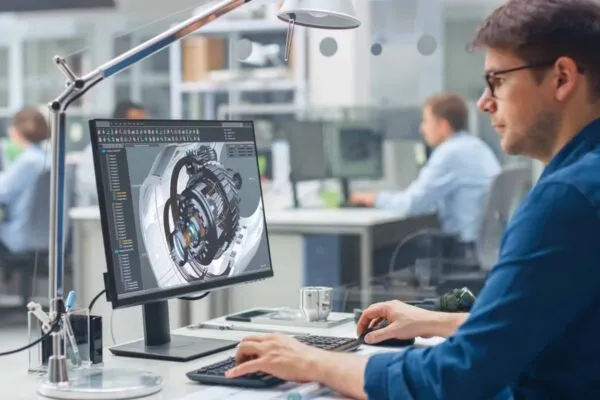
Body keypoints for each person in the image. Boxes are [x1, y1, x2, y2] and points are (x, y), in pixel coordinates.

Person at [224, 0, 600, 398]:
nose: (484, 102)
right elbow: (533, 324)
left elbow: (454, 377)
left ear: (562, 77)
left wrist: (309, 360)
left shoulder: (566, 200)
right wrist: (434, 321)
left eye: (497, 80)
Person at [349, 93, 500, 244]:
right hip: (489, 245)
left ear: (443, 126)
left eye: (426, 121)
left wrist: (373, 198)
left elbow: (412, 204)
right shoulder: (477, 146)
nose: (422, 128)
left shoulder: (449, 153)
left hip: (466, 248)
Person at [75, 101, 146, 206]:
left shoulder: (139, 153)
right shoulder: (95, 150)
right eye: (137, 123)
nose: (142, 129)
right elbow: (92, 187)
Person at [0, 107, 50, 254]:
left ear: (15, 131)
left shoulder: (28, 162)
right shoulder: (49, 158)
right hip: (49, 236)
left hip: (20, 237)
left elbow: (2, 191)